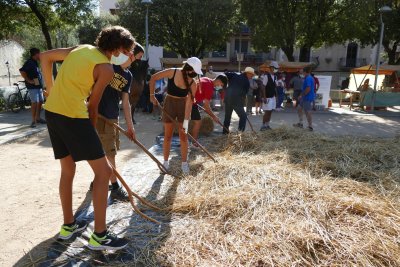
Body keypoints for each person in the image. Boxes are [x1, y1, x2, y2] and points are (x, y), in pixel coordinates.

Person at [41, 26, 135, 250]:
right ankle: (100, 236)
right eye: (126, 51)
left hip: (52, 113)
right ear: (117, 48)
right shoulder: (106, 69)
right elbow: (93, 106)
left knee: (68, 169)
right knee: (104, 172)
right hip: (74, 117)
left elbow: (45, 57)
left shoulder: (81, 48)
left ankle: (68, 226)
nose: (127, 56)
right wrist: (91, 132)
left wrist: (50, 89)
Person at [88, 42, 144, 201]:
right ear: (129, 53)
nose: (136, 61)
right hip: (98, 114)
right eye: (136, 57)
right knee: (109, 153)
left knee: (107, 151)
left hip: (112, 117)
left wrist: (130, 127)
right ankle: (116, 188)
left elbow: (125, 103)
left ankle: (97, 180)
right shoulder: (108, 65)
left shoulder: (128, 76)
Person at [150, 57, 200, 174]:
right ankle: (166, 162)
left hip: (183, 106)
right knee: (168, 135)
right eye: (195, 71)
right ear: (190, 69)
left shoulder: (193, 83)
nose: (195, 74)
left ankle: (184, 163)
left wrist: (186, 122)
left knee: (183, 136)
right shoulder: (172, 71)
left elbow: (189, 104)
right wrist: (152, 95)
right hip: (169, 104)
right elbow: (153, 78)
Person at [191, 74, 228, 143]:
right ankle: (194, 142)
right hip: (190, 101)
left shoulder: (206, 79)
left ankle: (190, 140)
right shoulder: (209, 87)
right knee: (197, 122)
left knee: (193, 121)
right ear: (218, 80)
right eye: (221, 85)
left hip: (192, 101)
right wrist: (214, 117)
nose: (220, 87)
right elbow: (206, 107)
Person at [19, 48, 46, 128]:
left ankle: (38, 118)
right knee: (34, 102)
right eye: (39, 53)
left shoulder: (35, 62)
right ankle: (33, 120)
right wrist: (28, 80)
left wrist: (41, 85)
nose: (40, 55)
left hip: (38, 85)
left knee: (40, 101)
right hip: (32, 86)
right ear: (35, 54)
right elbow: (22, 71)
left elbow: (36, 74)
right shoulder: (29, 62)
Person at [223, 67, 255, 134]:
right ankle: (240, 133)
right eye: (251, 75)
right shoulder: (246, 82)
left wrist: (225, 87)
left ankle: (225, 132)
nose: (252, 76)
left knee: (227, 116)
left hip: (228, 98)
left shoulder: (234, 75)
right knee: (243, 116)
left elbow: (224, 74)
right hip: (237, 101)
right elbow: (243, 95)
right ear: (247, 73)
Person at [293, 66, 315, 131]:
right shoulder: (307, 78)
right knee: (299, 108)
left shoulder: (308, 78)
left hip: (307, 97)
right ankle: (300, 123)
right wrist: (301, 95)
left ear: (305, 72)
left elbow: (308, 89)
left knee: (307, 112)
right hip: (305, 97)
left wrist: (301, 95)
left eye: (302, 72)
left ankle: (310, 126)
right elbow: (305, 88)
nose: (301, 73)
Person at [260, 61, 279, 131]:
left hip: (272, 97)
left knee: (270, 111)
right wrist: (264, 97)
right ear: (271, 68)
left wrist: (276, 97)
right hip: (267, 97)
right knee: (267, 112)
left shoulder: (275, 77)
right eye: (276, 68)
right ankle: (263, 125)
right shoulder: (266, 76)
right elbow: (263, 87)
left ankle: (267, 125)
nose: (277, 69)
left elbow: (275, 87)